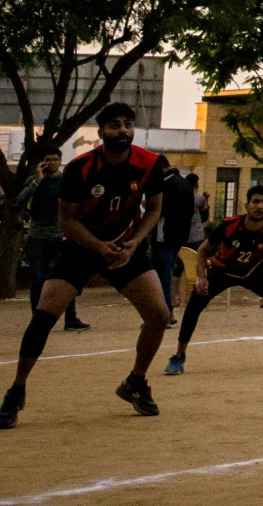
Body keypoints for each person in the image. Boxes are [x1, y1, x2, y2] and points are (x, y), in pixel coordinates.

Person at [1, 103, 170, 427]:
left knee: (159, 316)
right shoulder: (81, 168)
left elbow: (154, 210)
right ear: (102, 131)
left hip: (124, 246)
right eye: (115, 125)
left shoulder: (148, 163)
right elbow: (67, 221)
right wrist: (98, 247)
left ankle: (136, 382)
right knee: (43, 317)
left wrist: (135, 243)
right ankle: (16, 391)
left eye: (127, 125)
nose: (122, 130)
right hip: (81, 247)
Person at [165, 184, 263, 374]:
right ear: (246, 204)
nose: (260, 206)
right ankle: (179, 355)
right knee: (195, 303)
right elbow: (202, 252)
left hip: (252, 272)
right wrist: (201, 278)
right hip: (222, 271)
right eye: (256, 201)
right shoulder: (229, 225)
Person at [20, 153, 88, 329]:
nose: (51, 163)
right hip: (38, 236)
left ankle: (70, 318)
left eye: (54, 159)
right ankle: (37, 319)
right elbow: (20, 199)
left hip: (61, 235)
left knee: (67, 277)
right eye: (47, 160)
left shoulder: (65, 181)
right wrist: (38, 180)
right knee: (38, 278)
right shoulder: (34, 181)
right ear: (41, 162)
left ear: (60, 161)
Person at [158, 163, 199, 326]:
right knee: (172, 271)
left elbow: (160, 211)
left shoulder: (166, 184)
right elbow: (190, 213)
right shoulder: (185, 185)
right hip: (181, 236)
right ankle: (169, 313)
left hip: (165, 236)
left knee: (164, 274)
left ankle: (166, 314)